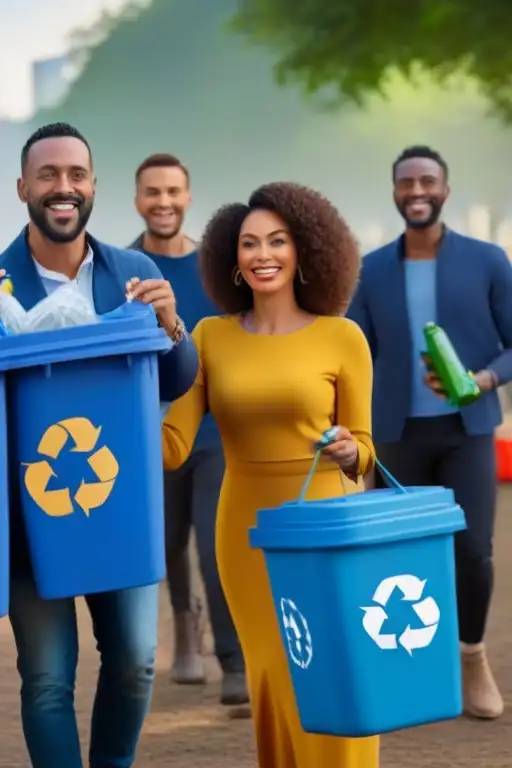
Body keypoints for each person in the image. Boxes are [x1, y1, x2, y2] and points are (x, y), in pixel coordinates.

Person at [0, 122, 198, 768]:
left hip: (122, 504)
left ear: (93, 187)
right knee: (48, 678)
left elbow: (176, 379)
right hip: (31, 511)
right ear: (23, 187)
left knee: (136, 661)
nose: (64, 188)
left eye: (76, 175)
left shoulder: (135, 275)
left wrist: (173, 324)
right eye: (49, 176)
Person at [162, 182, 379, 767]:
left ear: (304, 249)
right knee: (274, 673)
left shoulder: (342, 337)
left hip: (325, 527)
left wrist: (345, 451)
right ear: (231, 259)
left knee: (334, 670)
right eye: (249, 243)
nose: (263, 254)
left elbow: (364, 448)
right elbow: (173, 446)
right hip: (245, 533)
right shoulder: (209, 337)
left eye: (277, 241)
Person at [348, 145, 512, 720]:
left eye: (427, 181)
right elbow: (354, 351)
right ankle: (411, 670)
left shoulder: (488, 261)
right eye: (406, 183)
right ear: (394, 192)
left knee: (473, 551)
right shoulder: (369, 270)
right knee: (397, 557)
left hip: (467, 431)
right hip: (394, 435)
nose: (416, 191)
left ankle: (471, 659)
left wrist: (485, 377)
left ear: (445, 189)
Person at [129, 153, 247, 707]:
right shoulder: (119, 269)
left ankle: (233, 658)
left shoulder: (217, 269)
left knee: (214, 544)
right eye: (153, 192)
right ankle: (185, 631)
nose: (164, 202)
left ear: (188, 196)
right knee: (168, 541)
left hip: (213, 432)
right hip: (147, 433)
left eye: (173, 191)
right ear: (137, 200)